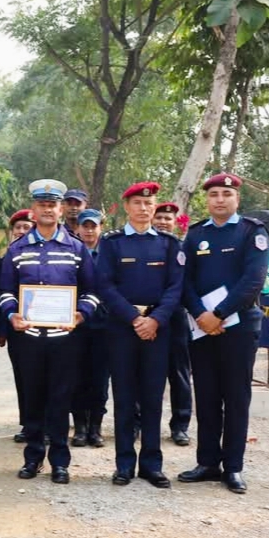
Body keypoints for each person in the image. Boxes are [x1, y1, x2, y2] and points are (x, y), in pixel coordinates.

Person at [0, 179, 100, 485]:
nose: (47, 209)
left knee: (60, 399)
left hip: (64, 340)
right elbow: (5, 291)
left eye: (52, 204)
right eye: (41, 204)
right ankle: (32, 458)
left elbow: (92, 292)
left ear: (60, 209)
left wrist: (81, 315)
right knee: (32, 398)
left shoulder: (76, 249)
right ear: (33, 209)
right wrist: (11, 314)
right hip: (28, 339)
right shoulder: (17, 250)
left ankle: (59, 461)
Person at [179, 173, 269, 494]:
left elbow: (253, 281)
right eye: (214, 194)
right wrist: (202, 316)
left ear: (236, 199)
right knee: (205, 394)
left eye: (226, 194)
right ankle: (207, 462)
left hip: (239, 327)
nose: (219, 199)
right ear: (207, 199)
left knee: (235, 396)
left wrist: (218, 314)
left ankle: (232, 467)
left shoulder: (251, 232)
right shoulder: (194, 235)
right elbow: (184, 281)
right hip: (201, 328)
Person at [97, 183, 184, 489]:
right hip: (122, 328)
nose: (144, 208)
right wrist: (135, 318)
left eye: (149, 203)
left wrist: (155, 320)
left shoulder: (169, 244)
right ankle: (123, 464)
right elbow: (104, 285)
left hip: (157, 331)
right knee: (123, 397)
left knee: (152, 398)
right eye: (137, 202)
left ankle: (151, 463)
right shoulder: (112, 243)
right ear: (127, 207)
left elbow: (176, 287)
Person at [153, 201, 193, 446]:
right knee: (144, 373)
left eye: (167, 219)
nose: (162, 222)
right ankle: (139, 422)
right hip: (149, 316)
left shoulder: (182, 248)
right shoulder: (144, 246)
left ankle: (180, 425)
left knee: (179, 374)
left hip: (176, 317)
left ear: (174, 223)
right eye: (159, 218)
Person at [71, 208, 111, 447]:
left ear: (100, 227)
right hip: (75, 323)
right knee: (76, 377)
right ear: (77, 228)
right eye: (84, 226)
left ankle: (95, 427)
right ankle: (79, 427)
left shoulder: (109, 252)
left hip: (104, 325)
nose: (88, 230)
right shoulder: (72, 251)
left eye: (93, 226)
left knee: (100, 379)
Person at [5, 208, 34, 444]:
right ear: (12, 231)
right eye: (19, 228)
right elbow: (3, 292)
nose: (23, 231)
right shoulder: (11, 255)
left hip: (51, 327)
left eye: (27, 227)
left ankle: (45, 426)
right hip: (17, 328)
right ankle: (27, 423)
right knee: (23, 378)